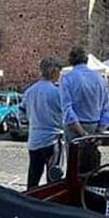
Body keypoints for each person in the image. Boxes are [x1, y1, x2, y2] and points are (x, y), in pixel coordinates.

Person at [60, 46, 109, 173]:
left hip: (75, 129)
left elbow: (67, 110)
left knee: (74, 168)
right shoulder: (100, 79)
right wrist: (99, 130)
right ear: (86, 60)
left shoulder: (67, 78)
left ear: (70, 61)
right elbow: (107, 109)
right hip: (94, 126)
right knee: (91, 169)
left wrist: (82, 133)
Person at [21, 58, 65, 188]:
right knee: (53, 178)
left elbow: (21, 113)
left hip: (34, 139)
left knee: (33, 177)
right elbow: (66, 114)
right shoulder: (57, 92)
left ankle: (29, 201)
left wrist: (32, 120)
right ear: (54, 72)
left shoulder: (30, 91)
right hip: (52, 139)